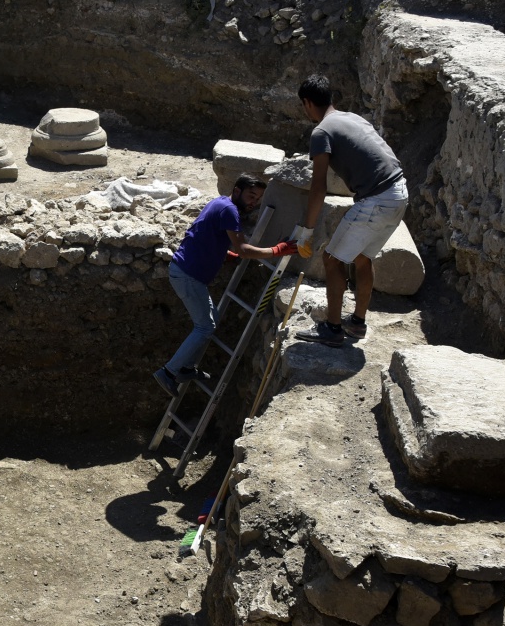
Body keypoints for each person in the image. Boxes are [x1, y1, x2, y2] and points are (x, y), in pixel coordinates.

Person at [291, 74, 408, 348]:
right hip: (399, 192)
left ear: (307, 103)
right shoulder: (352, 118)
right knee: (362, 257)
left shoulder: (321, 132)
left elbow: (318, 186)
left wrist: (306, 231)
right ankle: (357, 322)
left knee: (332, 259)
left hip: (377, 198)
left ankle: (332, 329)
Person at [154, 175, 287, 396]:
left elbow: (205, 235)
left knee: (211, 320)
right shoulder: (230, 211)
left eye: (258, 198)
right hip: (188, 275)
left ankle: (186, 368)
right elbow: (243, 249)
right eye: (251, 196)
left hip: (186, 272)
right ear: (237, 190)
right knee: (204, 326)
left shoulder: (220, 203)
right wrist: (277, 250)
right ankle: (168, 372)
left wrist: (224, 254)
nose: (254, 202)